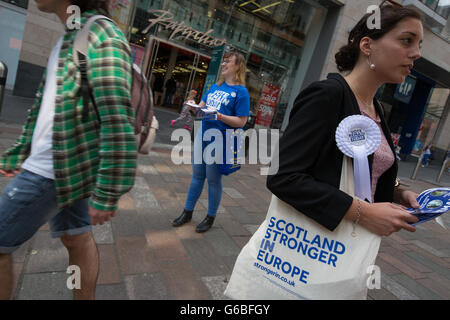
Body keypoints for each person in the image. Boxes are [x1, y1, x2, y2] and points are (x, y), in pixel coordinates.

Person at [0, 0, 136, 300]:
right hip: (68, 166)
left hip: (50, 172)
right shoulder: (70, 35)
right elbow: (45, 108)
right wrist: (20, 150)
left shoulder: (101, 34)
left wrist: (109, 190)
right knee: (77, 240)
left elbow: (117, 118)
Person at [266, 1, 422, 238]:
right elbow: (283, 177)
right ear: (367, 45)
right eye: (406, 40)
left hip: (351, 248)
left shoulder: (376, 109)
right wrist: (365, 213)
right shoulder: (327, 95)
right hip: (309, 244)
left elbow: (352, 173)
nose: (416, 53)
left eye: (419, 44)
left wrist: (394, 192)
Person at [172, 52, 250, 233]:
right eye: (223, 61)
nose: (223, 64)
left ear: (238, 66)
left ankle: (210, 217)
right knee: (197, 175)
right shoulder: (215, 87)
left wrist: (220, 116)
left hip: (220, 139)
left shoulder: (241, 92)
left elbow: (242, 121)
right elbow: (202, 108)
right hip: (203, 134)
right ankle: (187, 212)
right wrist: (192, 107)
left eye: (228, 62)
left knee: (213, 180)